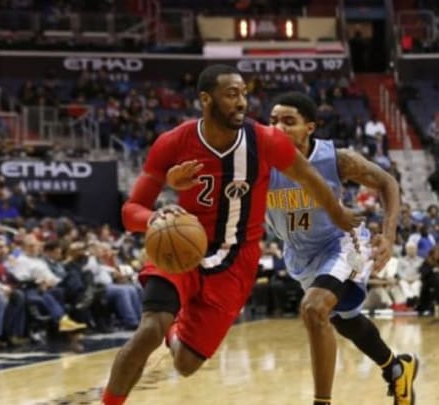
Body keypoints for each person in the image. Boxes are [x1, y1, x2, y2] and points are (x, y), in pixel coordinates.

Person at [101, 65, 360, 405]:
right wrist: (154, 218)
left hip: (236, 261)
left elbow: (311, 178)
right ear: (206, 99)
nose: (241, 102)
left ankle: (174, 329)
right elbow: (130, 211)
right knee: (149, 328)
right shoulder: (173, 142)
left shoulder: (265, 141)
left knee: (186, 363)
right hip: (182, 248)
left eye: (244, 94)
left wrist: (340, 215)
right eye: (231, 94)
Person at [265, 92, 418, 405]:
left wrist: (388, 236)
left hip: (343, 244)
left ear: (310, 127)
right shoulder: (259, 162)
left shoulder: (334, 159)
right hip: (301, 256)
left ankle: (322, 402)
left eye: (288, 121)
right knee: (345, 321)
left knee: (313, 309)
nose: (278, 127)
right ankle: (396, 368)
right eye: (273, 121)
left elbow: (387, 182)